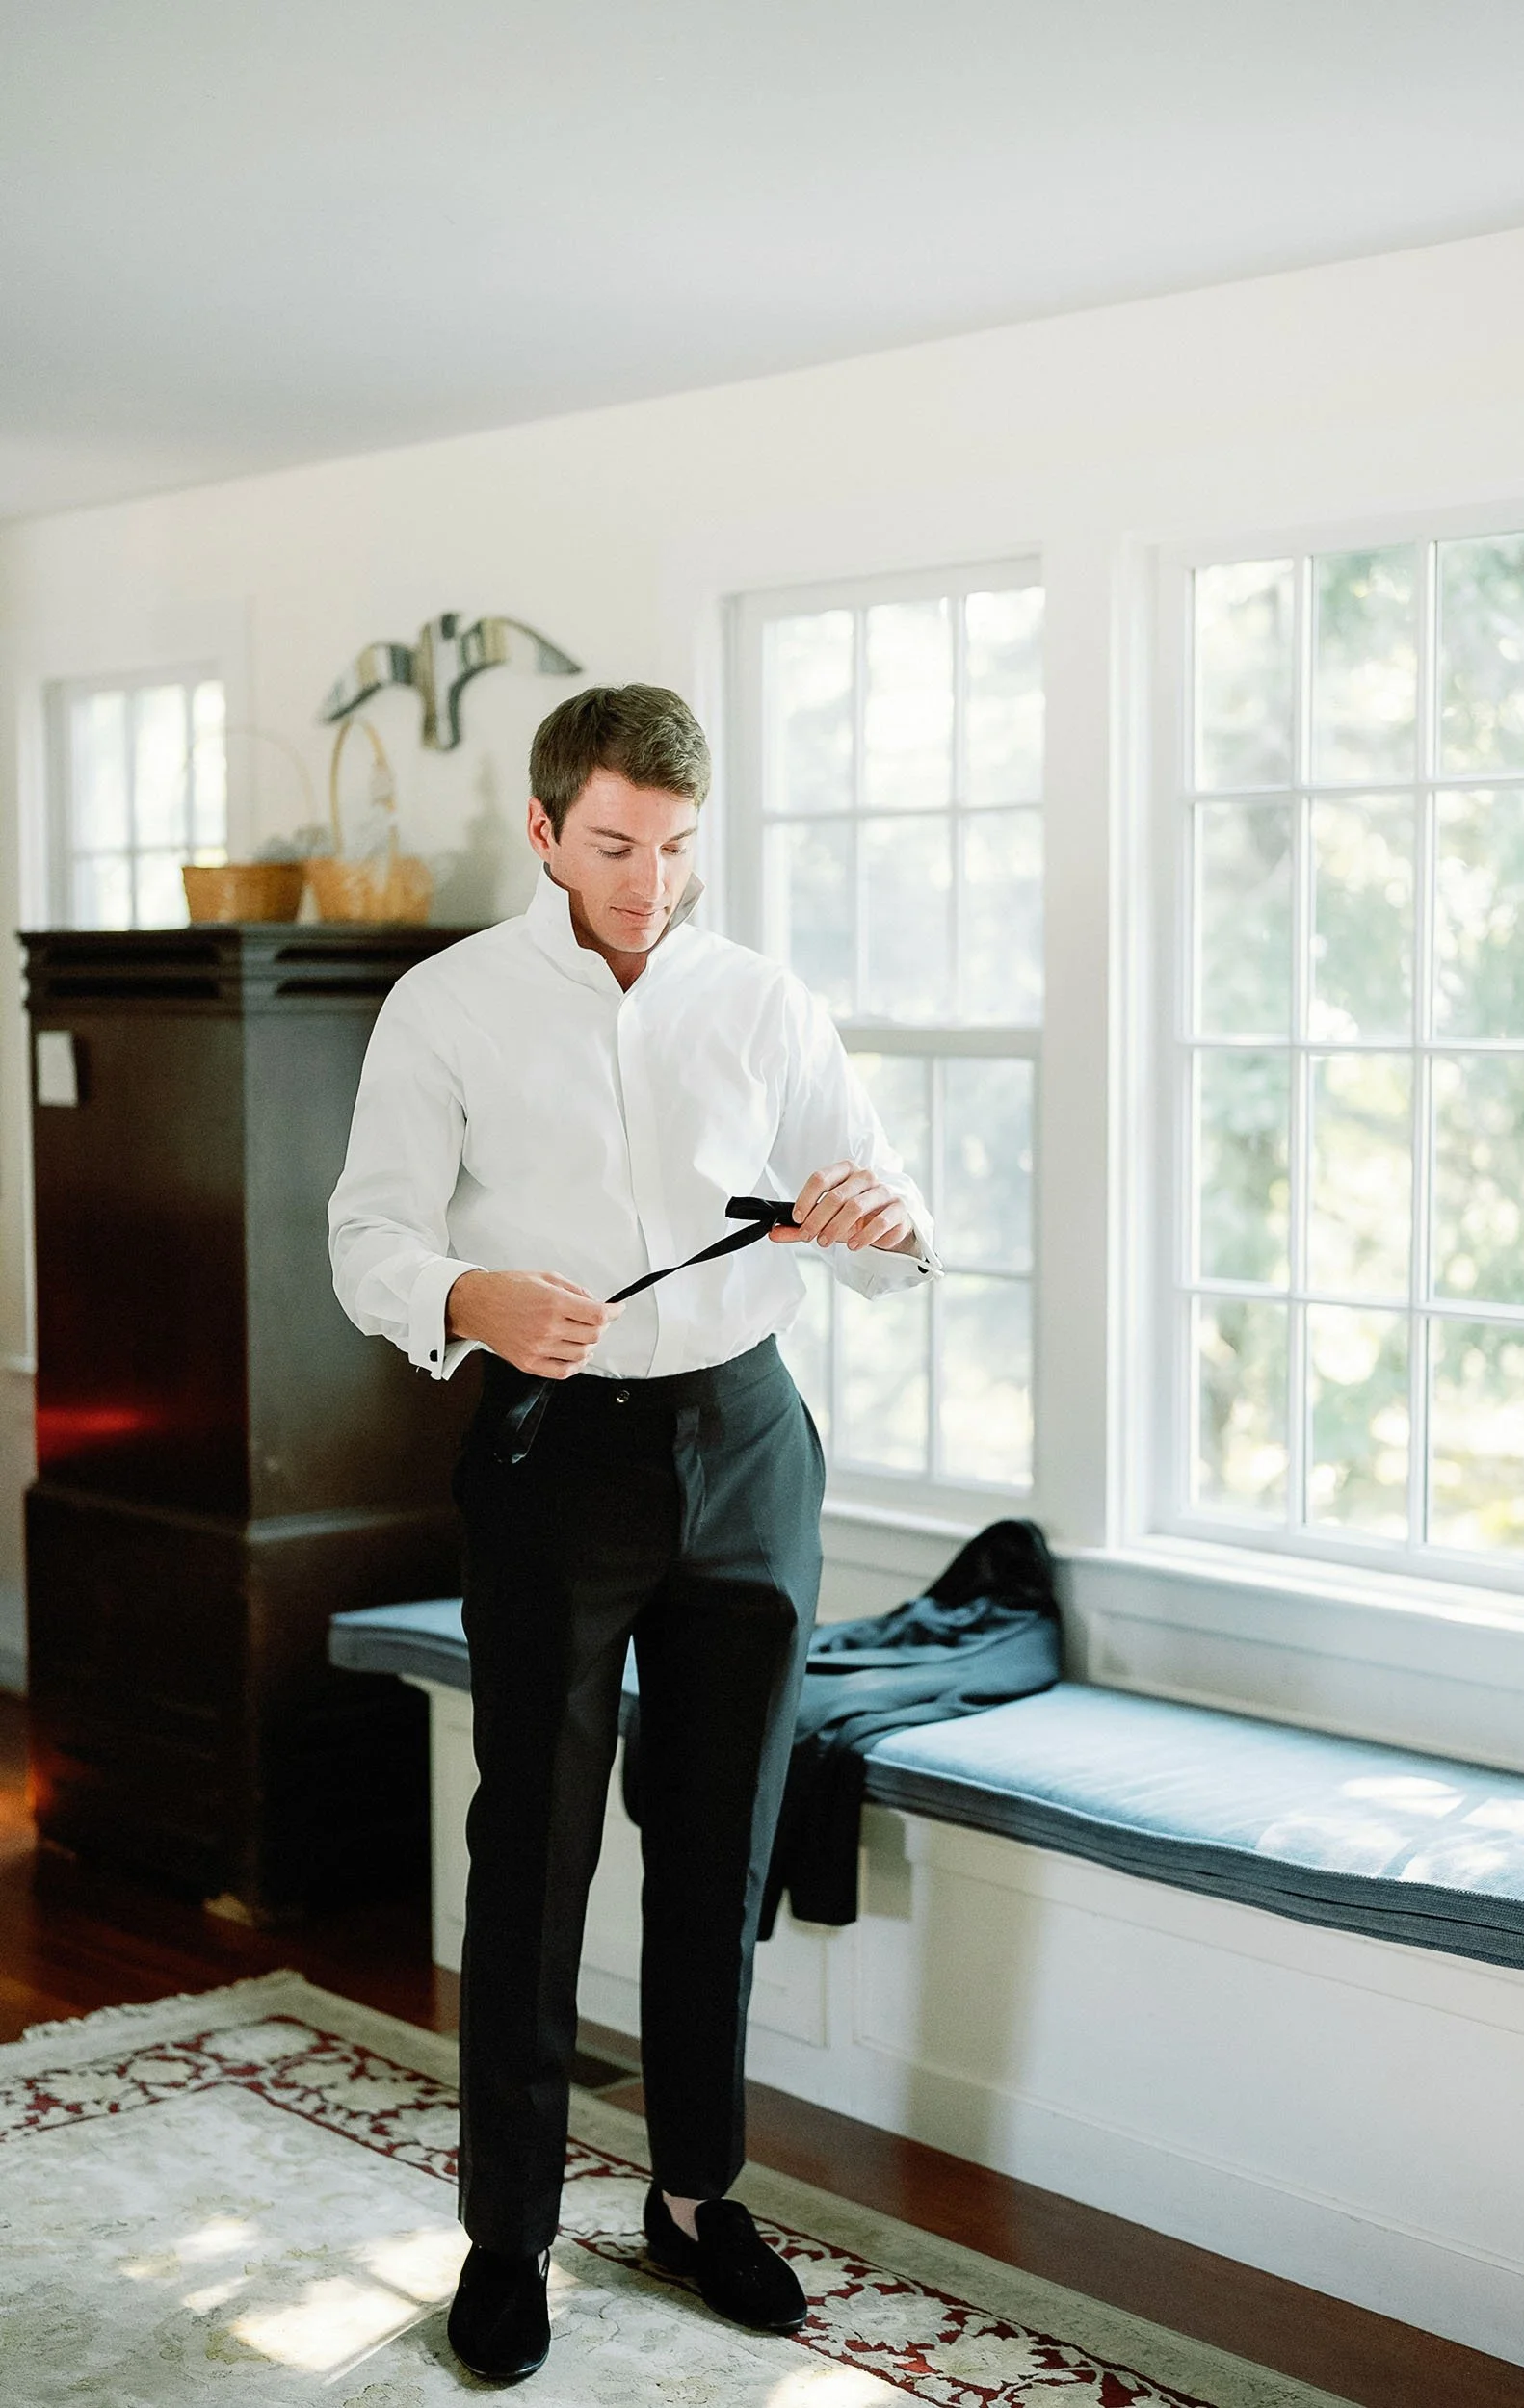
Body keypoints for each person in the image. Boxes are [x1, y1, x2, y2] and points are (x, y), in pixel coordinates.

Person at [328, 684, 938, 2384]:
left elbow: (877, 1223)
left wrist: (886, 1222)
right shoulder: (443, 1007)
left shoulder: (763, 1002)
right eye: (613, 844)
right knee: (532, 1846)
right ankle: (505, 2234)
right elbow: (364, 1234)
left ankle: (691, 2196)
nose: (650, 878)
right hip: (551, 1459)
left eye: (676, 846)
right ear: (542, 832)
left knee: (721, 1836)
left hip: (749, 1443)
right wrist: (467, 1290)